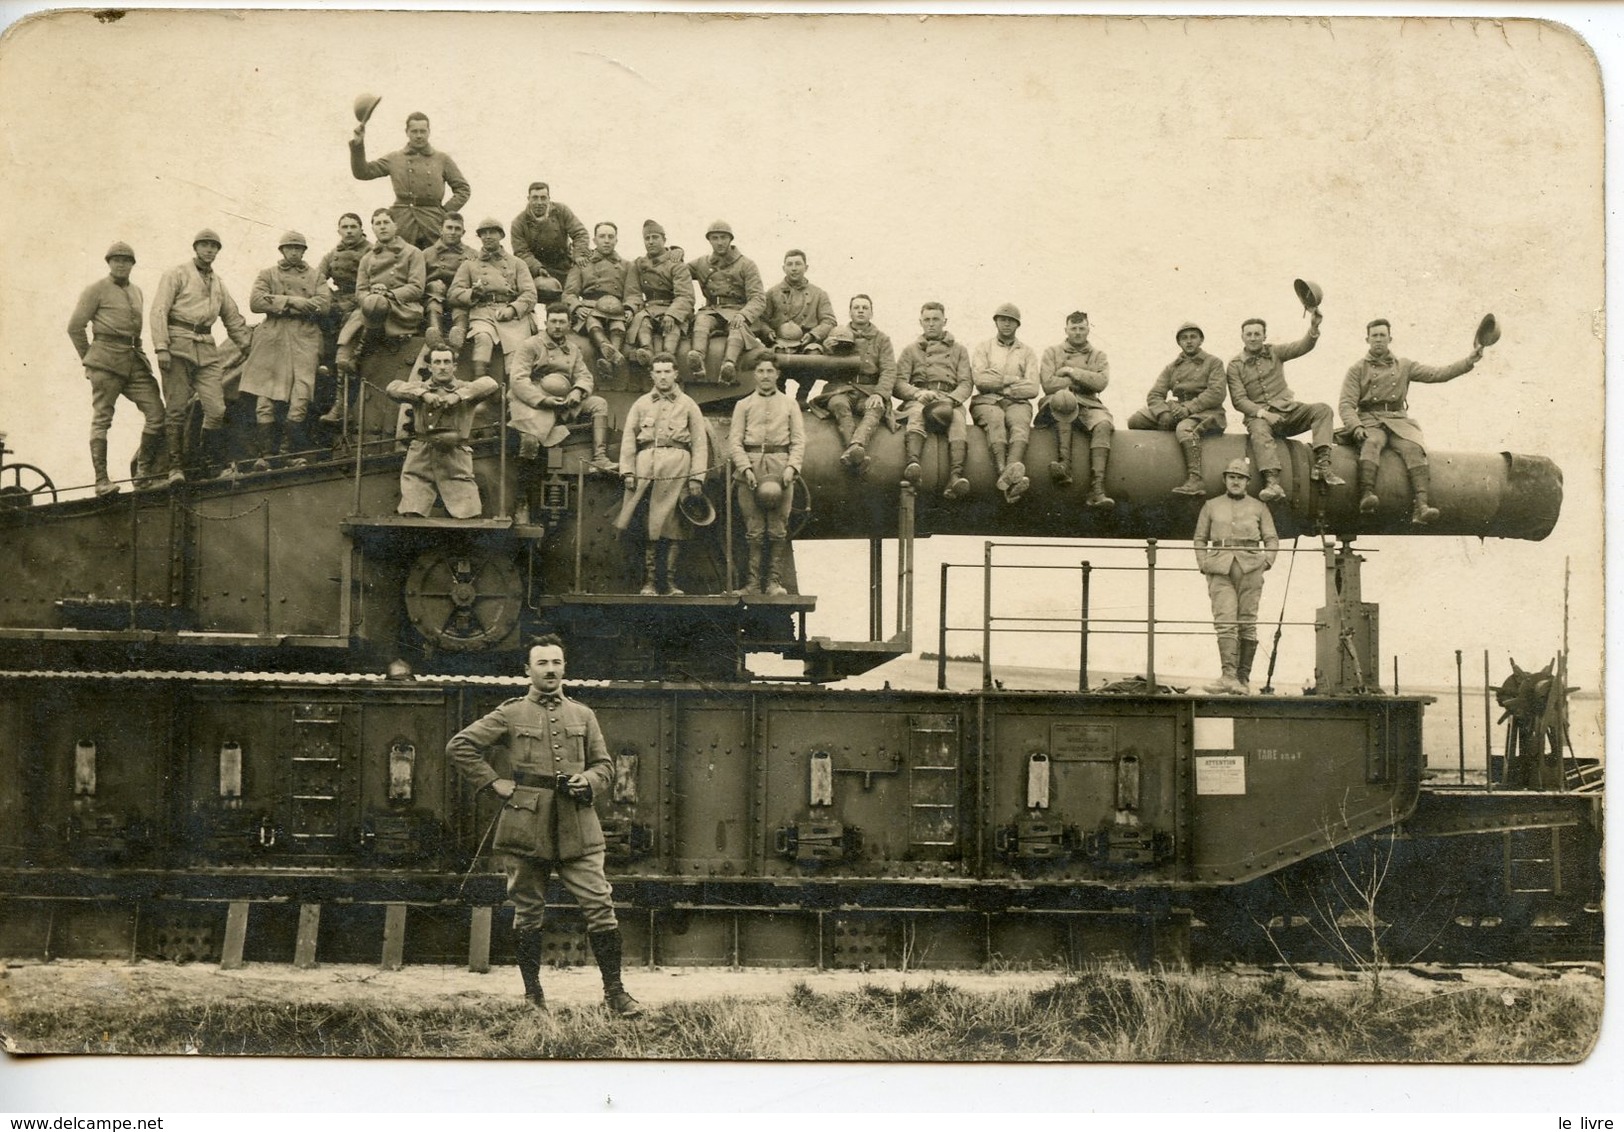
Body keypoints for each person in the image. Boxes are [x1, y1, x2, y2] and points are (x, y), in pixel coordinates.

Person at [445, 635, 642, 1016]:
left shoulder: (583, 715)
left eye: (556, 662)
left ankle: (616, 994)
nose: (550, 669)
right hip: (525, 823)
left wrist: (590, 780)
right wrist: (493, 782)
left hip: (577, 823)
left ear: (564, 667)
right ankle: (533, 997)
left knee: (600, 906)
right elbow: (460, 746)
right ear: (528, 670)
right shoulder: (510, 713)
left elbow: (605, 765)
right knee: (527, 912)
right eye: (542, 663)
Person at [1339, 319, 1484, 525]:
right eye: (1374, 336)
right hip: (1370, 421)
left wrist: (1469, 361)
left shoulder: (1404, 366)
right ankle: (1366, 495)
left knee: (1414, 448)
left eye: (1382, 335)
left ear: (1390, 339)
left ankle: (1421, 506)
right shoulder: (1357, 369)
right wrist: (1356, 426)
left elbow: (1438, 374)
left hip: (1398, 422)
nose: (1378, 340)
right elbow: (1346, 404)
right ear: (1367, 339)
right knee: (1371, 443)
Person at [150, 228, 252, 483]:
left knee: (216, 408)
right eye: (205, 245)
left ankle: (208, 463)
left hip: (206, 348)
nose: (209, 250)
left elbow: (232, 319)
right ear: (195, 247)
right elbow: (159, 310)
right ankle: (176, 467)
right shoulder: (176, 274)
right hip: (178, 345)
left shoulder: (218, 283)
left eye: (214, 246)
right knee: (176, 409)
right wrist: (162, 346)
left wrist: (250, 348)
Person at [67, 241, 165, 494]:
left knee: (157, 413)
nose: (121, 264)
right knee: (102, 419)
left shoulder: (137, 292)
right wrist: (90, 359)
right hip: (106, 362)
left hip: (134, 360)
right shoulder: (96, 290)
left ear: (133, 264)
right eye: (116, 259)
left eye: (126, 260)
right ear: (108, 263)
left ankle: (143, 475)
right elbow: (75, 327)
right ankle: (101, 481)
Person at [508, 303, 616, 523]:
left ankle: (600, 457)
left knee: (599, 404)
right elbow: (518, 379)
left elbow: (585, 376)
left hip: (566, 400)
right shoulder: (530, 345)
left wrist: (578, 391)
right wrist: (543, 400)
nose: (557, 326)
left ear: (569, 324)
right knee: (529, 442)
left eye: (562, 322)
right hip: (533, 402)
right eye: (553, 321)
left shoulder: (573, 349)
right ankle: (522, 501)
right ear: (545, 322)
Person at [615, 353, 710, 595]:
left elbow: (700, 443)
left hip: (678, 467)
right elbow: (628, 439)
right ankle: (649, 582)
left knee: (674, 526)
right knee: (648, 523)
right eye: (658, 371)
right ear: (652, 375)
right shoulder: (641, 404)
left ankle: (668, 582)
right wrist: (627, 470)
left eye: (667, 371)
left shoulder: (688, 405)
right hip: (646, 466)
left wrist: (697, 477)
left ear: (676, 373)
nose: (663, 376)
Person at [1226, 307, 1343, 501]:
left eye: (1257, 334)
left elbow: (1302, 346)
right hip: (1260, 418)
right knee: (1259, 432)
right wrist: (1263, 413)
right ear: (1242, 337)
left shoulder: (1275, 352)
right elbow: (1239, 400)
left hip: (1288, 412)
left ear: (1264, 336)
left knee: (1322, 410)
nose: (1253, 338)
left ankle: (1322, 465)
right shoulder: (1235, 365)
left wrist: (1313, 328)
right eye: (1249, 334)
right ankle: (1272, 483)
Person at [240, 231, 331, 470]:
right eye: (289, 248)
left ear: (304, 251)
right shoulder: (267, 274)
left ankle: (286, 453)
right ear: (281, 250)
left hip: (305, 339)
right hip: (272, 339)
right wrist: (295, 302)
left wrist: (280, 303)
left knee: (301, 396)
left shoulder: (316, 276)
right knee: (265, 399)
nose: (293, 252)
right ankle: (268, 456)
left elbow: (324, 306)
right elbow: (256, 302)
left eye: (298, 248)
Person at [1192, 457, 1279, 694]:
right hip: (1219, 568)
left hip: (1251, 568)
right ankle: (1228, 677)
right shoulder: (1211, 505)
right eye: (1232, 477)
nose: (1236, 481)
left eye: (1240, 478)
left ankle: (1243, 680)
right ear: (1225, 480)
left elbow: (1271, 538)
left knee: (1247, 622)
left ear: (1248, 482)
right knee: (1225, 622)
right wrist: (1203, 563)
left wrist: (1267, 562)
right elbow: (1199, 538)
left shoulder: (1259, 506)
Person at [386, 344, 499, 518]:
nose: (442, 366)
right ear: (430, 367)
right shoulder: (420, 387)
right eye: (437, 362)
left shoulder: (464, 387)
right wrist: (422, 394)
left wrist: (458, 396)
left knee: (467, 514)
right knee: (412, 514)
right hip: (420, 459)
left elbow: (490, 383)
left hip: (456, 460)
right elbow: (393, 387)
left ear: (454, 366)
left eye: (447, 362)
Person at [728, 355, 805, 595]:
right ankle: (752, 584)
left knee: (777, 527)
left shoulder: (790, 405)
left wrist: (792, 467)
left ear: (777, 374)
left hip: (780, 467)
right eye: (760, 371)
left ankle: (773, 582)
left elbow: (799, 440)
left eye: (770, 371)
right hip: (750, 466)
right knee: (754, 530)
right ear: (754, 375)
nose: (765, 376)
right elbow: (735, 441)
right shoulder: (743, 405)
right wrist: (745, 468)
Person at [1127, 321, 1227, 496]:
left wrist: (1189, 408)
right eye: (1184, 338)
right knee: (1136, 420)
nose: (1189, 341)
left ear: (1201, 340)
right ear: (1179, 342)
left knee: (1185, 429)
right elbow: (1154, 394)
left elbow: (1216, 393)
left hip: (1207, 412)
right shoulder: (1172, 367)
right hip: (1179, 409)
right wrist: (1163, 412)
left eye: (1193, 337)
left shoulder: (1213, 362)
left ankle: (1196, 479)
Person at [348, 111, 471, 249]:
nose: (419, 135)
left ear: (429, 132)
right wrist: (358, 145)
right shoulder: (394, 158)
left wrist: (444, 212)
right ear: (407, 132)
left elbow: (463, 189)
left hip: (433, 220)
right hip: (403, 220)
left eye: (423, 131)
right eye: (414, 131)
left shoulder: (442, 159)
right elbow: (363, 173)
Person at [808, 293, 896, 475]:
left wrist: (879, 394)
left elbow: (889, 370)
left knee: (875, 410)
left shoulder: (882, 339)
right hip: (842, 388)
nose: (861, 311)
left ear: (871, 313)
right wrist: (828, 352)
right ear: (850, 312)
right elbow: (825, 373)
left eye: (865, 308)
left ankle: (857, 445)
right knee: (838, 404)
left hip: (868, 390)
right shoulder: (838, 335)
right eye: (856, 307)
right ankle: (854, 449)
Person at [334, 209, 426, 379]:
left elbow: (416, 287)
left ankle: (358, 354)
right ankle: (343, 368)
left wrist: (389, 294)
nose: (382, 227)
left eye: (386, 223)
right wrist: (370, 297)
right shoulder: (367, 258)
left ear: (395, 226)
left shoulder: (413, 253)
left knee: (375, 304)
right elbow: (360, 291)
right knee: (369, 306)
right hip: (370, 309)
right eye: (378, 223)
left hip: (402, 308)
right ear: (372, 229)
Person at [894, 301, 973, 499]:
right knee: (916, 413)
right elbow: (899, 383)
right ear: (920, 322)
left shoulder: (959, 350)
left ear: (944, 321)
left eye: (936, 319)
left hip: (949, 399)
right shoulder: (910, 350)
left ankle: (955, 475)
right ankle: (913, 464)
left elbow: (966, 383)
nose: (931, 324)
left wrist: (951, 399)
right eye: (927, 320)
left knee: (957, 421)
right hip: (921, 397)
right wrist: (917, 393)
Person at [1036, 310, 1114, 508]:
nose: (1078, 332)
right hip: (1057, 403)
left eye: (1082, 328)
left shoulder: (1098, 355)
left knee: (1103, 423)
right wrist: (1083, 381)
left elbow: (1101, 382)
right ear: (1066, 330)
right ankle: (1065, 465)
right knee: (1065, 400)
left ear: (1089, 329)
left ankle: (1097, 488)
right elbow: (1048, 384)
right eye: (1074, 328)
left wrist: (1071, 372)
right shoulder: (1052, 352)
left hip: (1089, 404)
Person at [447, 217, 537, 382]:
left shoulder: (517, 263)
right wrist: (473, 294)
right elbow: (453, 293)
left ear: (501, 235)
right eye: (484, 233)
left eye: (492, 232)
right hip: (483, 312)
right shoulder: (470, 264)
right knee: (483, 338)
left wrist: (512, 309)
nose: (488, 236)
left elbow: (530, 294)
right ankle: (479, 387)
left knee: (517, 355)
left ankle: (514, 393)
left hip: (512, 315)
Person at [969, 302, 1040, 503]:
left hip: (1017, 403)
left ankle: (1011, 470)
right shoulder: (984, 348)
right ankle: (1003, 471)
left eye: (1011, 321)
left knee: (1019, 424)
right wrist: (1013, 380)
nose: (1006, 324)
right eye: (1002, 320)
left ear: (1018, 324)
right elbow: (981, 381)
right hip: (987, 401)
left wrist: (998, 381)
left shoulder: (1027, 352)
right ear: (996, 322)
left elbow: (1033, 388)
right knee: (996, 420)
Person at [745, 249, 836, 401]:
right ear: (784, 268)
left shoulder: (819, 294)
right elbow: (761, 319)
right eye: (790, 264)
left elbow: (829, 320)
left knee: (814, 356)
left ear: (806, 267)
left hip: (807, 343)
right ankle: (781, 397)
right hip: (779, 342)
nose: (794, 268)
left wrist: (814, 334)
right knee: (773, 358)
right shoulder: (772, 293)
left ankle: (802, 396)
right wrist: (767, 332)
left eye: (798, 264)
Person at [687, 220, 765, 384]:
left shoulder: (746, 265)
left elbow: (758, 298)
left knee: (737, 328)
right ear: (709, 240)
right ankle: (697, 359)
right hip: (712, 310)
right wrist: (674, 252)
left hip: (737, 310)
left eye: (723, 237)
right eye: (715, 238)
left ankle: (729, 365)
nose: (720, 242)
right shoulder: (702, 263)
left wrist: (744, 315)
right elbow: (677, 271)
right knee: (701, 321)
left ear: (730, 239)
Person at [564, 221, 636, 380]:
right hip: (589, 308)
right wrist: (576, 307)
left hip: (616, 310)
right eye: (602, 236)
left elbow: (633, 294)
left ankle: (609, 359)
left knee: (618, 325)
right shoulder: (583, 264)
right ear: (595, 240)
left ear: (616, 240)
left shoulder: (627, 265)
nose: (607, 240)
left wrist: (630, 308)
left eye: (611, 237)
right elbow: (569, 293)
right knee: (593, 320)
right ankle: (608, 349)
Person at [626, 220, 693, 368]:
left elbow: (685, 295)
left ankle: (668, 357)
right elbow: (633, 293)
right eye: (647, 238)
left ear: (664, 240)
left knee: (672, 326)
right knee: (642, 321)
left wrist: (672, 314)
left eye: (655, 237)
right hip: (649, 309)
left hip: (671, 307)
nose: (650, 242)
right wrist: (630, 308)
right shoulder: (638, 264)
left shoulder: (676, 264)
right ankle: (647, 352)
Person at [510, 181, 587, 300]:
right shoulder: (519, 223)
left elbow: (580, 233)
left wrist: (579, 254)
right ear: (528, 199)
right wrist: (538, 268)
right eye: (535, 198)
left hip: (563, 266)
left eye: (543, 198)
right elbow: (521, 252)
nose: (539, 203)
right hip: (536, 270)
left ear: (549, 199)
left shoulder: (562, 211)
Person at [420, 212, 476, 352]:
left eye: (457, 229)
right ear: (441, 230)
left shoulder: (472, 254)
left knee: (461, 307)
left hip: (459, 298)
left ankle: (459, 334)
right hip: (435, 297)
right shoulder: (427, 254)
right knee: (434, 300)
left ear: (463, 232)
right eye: (449, 227)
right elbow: (418, 281)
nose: (452, 232)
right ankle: (435, 334)